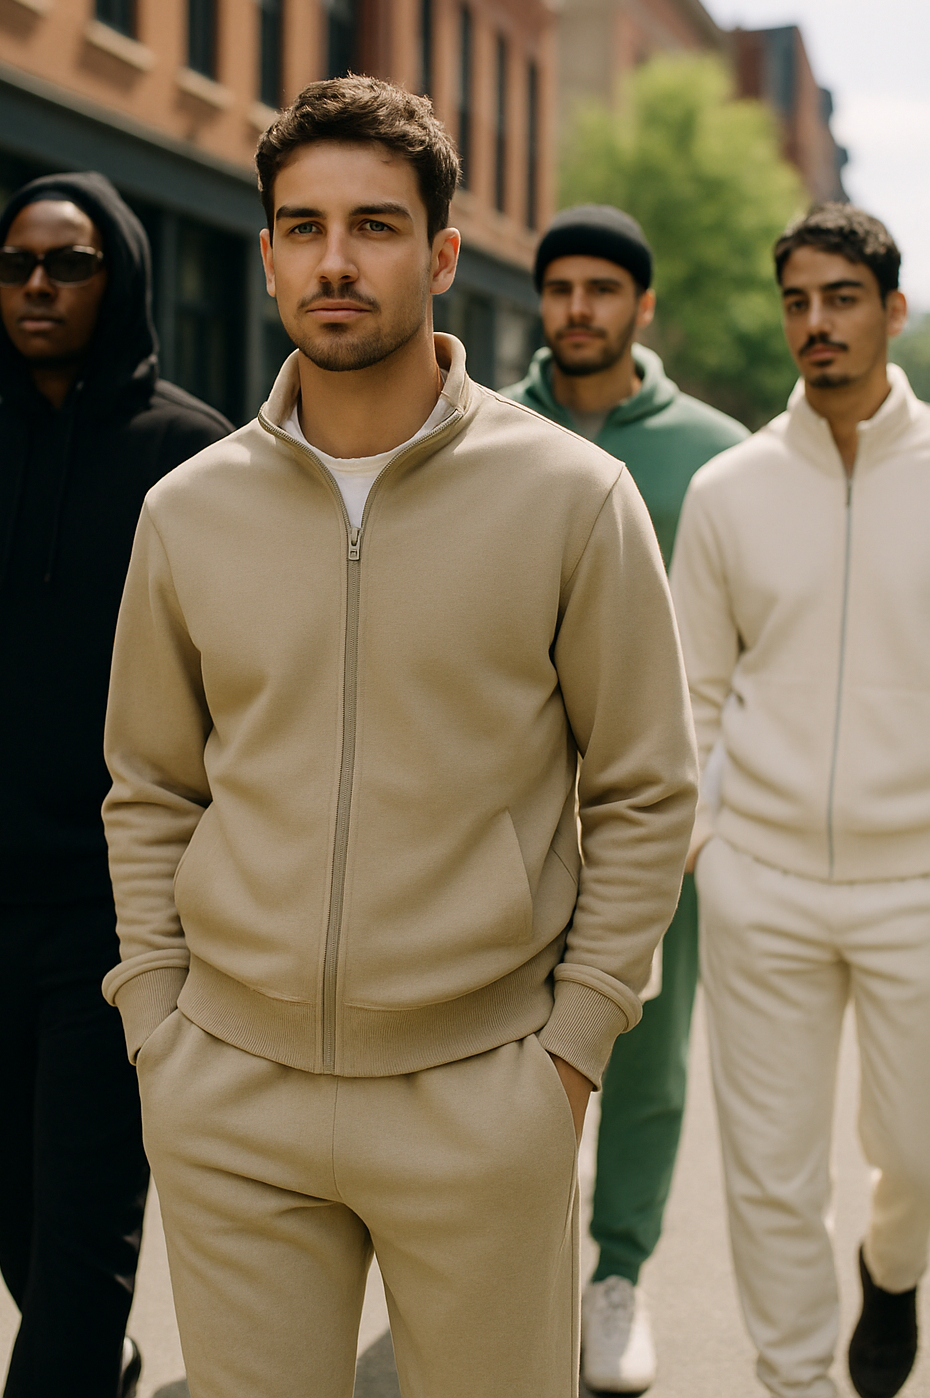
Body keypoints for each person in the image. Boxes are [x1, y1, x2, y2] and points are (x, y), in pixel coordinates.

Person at [100, 76, 697, 1398]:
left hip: (483, 1094)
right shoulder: (187, 514)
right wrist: (158, 1023)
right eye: (303, 228)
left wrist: (570, 1055)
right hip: (230, 1094)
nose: (334, 260)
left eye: (373, 226)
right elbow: (147, 785)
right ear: (265, 256)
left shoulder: (572, 499)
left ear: (438, 252)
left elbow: (648, 790)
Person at [0, 172, 231, 1398]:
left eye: (68, 263)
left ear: (124, 277)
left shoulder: (197, 463)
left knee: (82, 1253)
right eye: (12, 265)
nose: (36, 286)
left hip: (119, 923)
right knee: (27, 1240)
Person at [670, 202, 930, 1398]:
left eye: (839, 297)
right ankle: (796, 1384)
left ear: (891, 309)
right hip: (761, 880)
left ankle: (893, 1265)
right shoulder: (728, 491)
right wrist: (705, 846)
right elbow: (690, 691)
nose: (814, 323)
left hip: (916, 888)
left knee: (915, 1154)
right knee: (769, 1173)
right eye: (796, 301)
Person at [503, 203, 748, 1393]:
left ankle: (618, 1275)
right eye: (561, 290)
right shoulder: (484, 429)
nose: (578, 310)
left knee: (645, 1064)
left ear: (641, 306)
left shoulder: (717, 455)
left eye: (603, 289)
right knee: (501, 1054)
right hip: (506, 821)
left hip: (664, 824)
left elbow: (755, 651)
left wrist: (714, 807)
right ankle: (508, 1271)